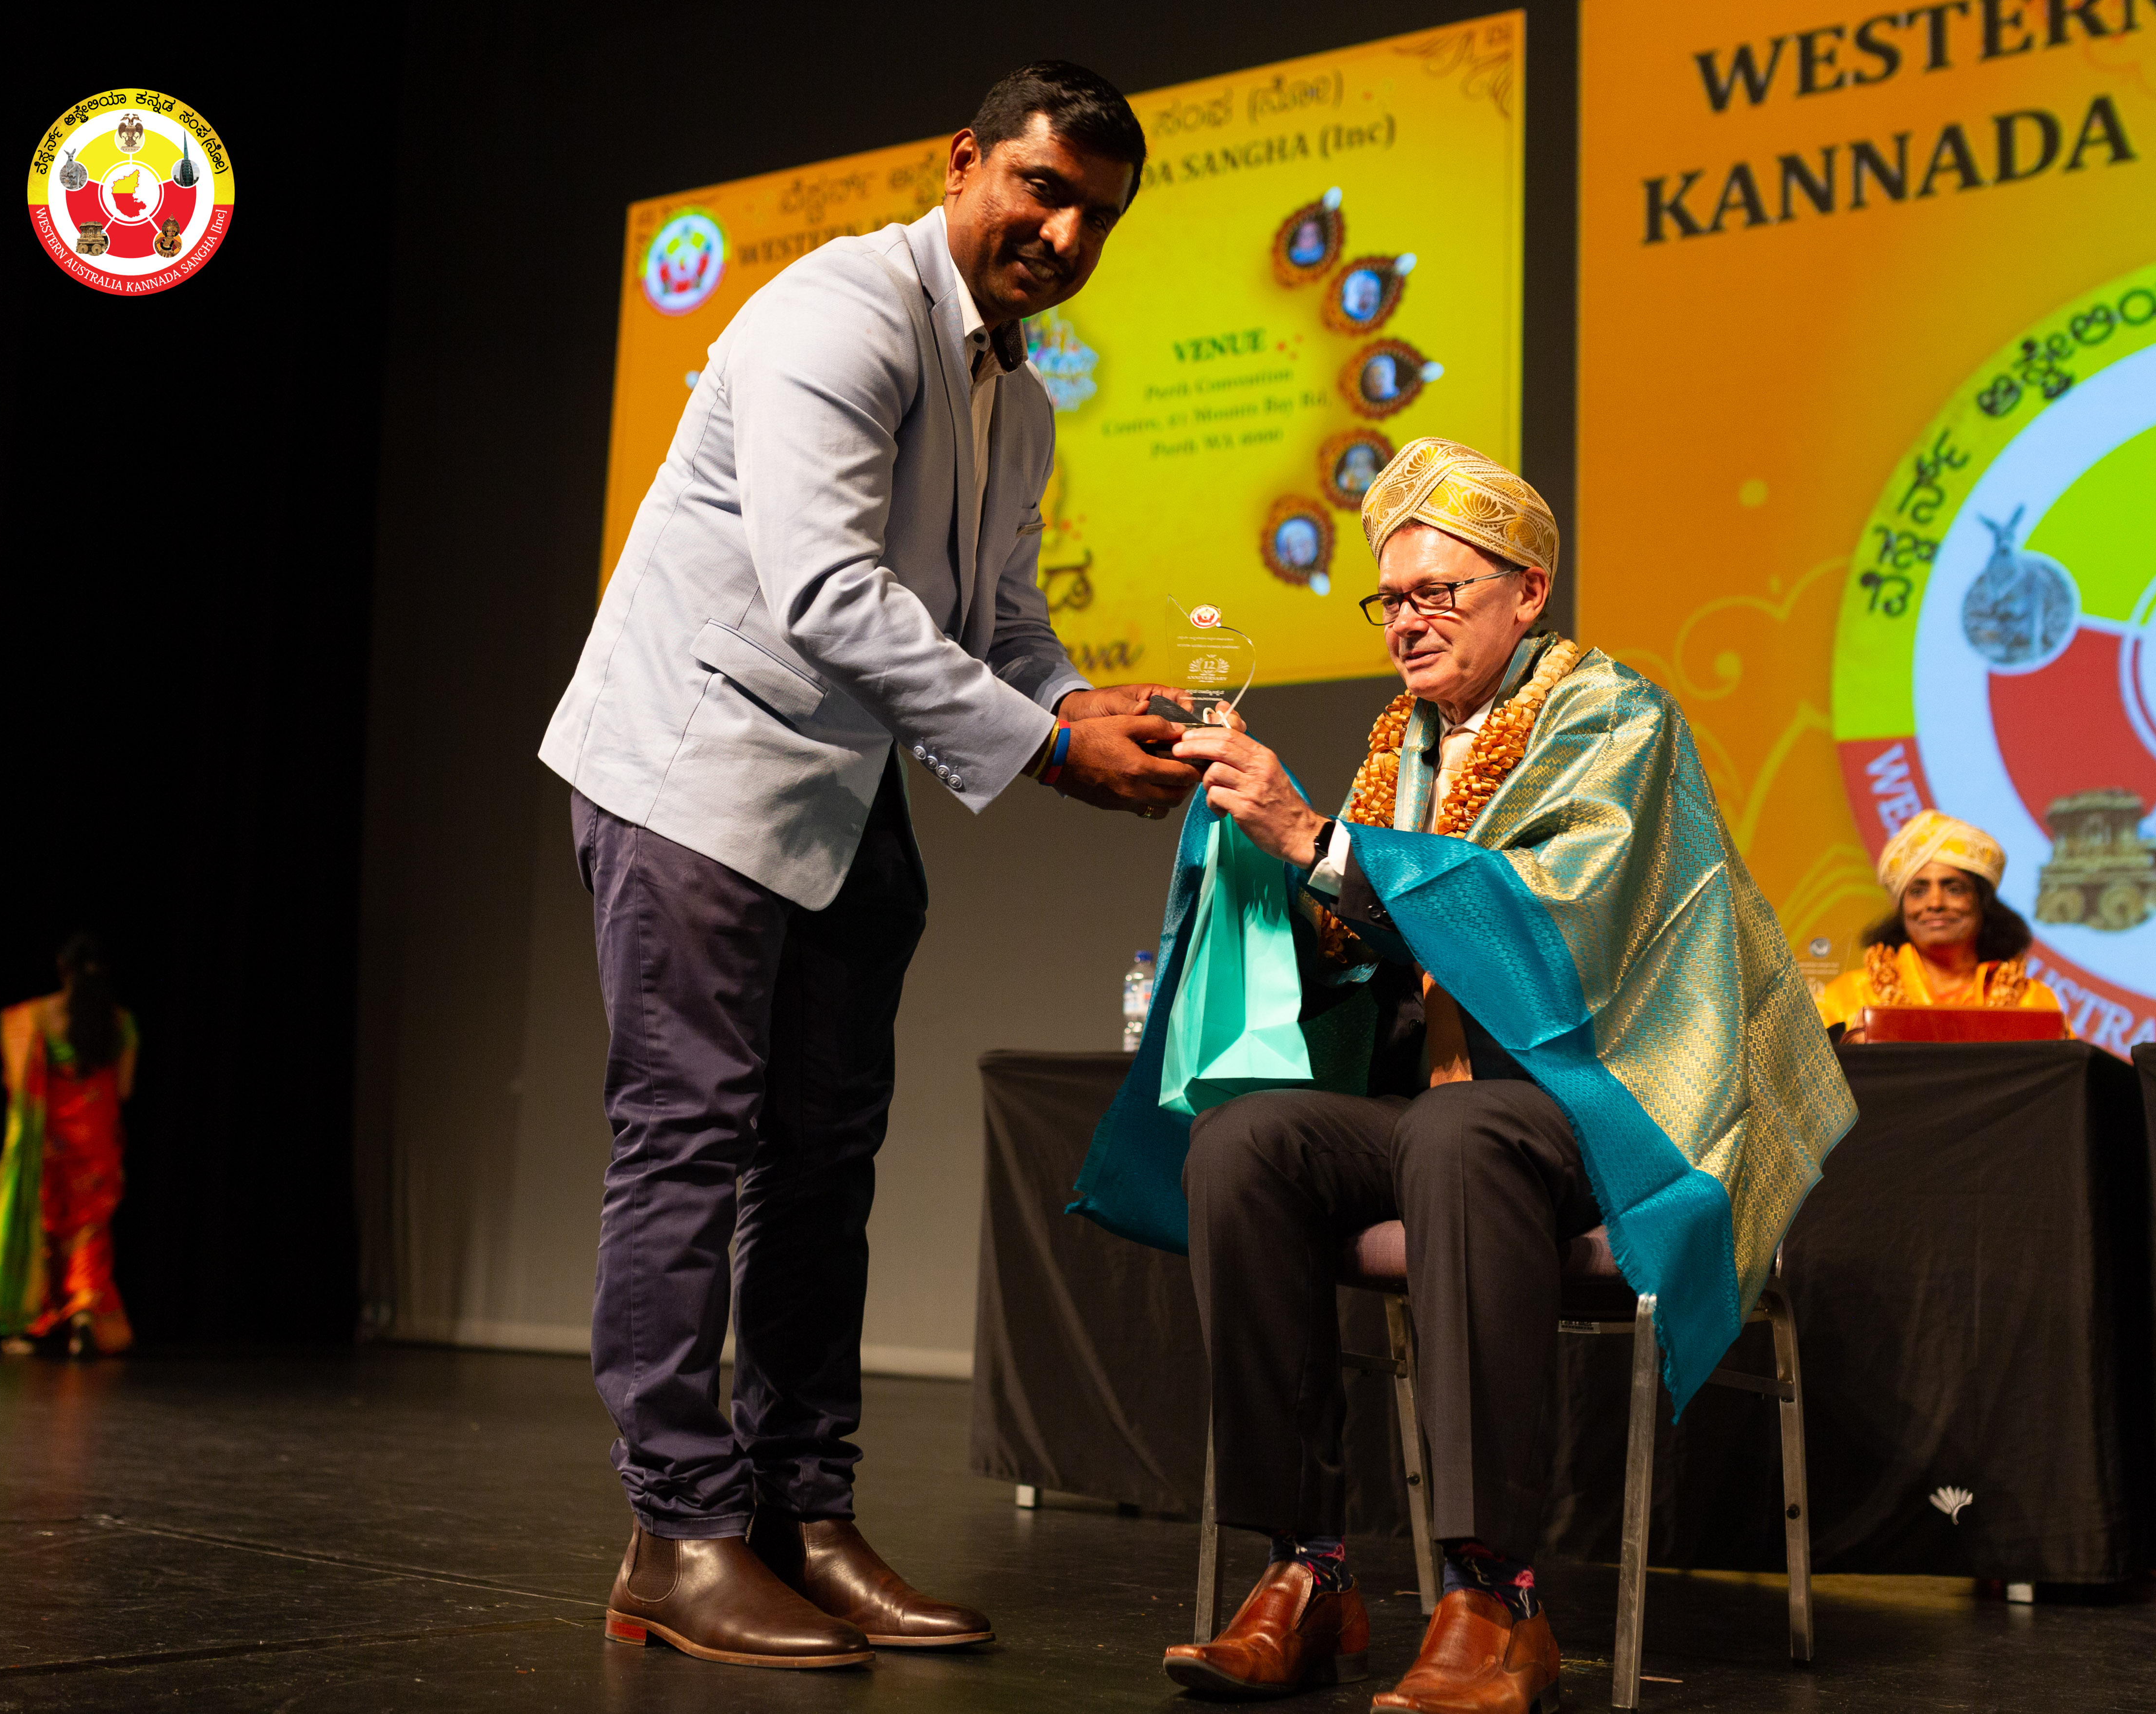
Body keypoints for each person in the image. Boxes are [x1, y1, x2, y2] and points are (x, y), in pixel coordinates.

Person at [537, 63, 1202, 1672]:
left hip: (836, 790)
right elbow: (828, 592)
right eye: (1041, 189)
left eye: (1098, 217)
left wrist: (1077, 704)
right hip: (693, 766)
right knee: (688, 1140)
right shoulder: (833, 315)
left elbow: (1000, 619)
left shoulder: (1019, 397)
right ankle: (675, 1532)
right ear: (963, 161)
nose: (1065, 234)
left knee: (824, 1159)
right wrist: (1051, 754)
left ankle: (799, 1514)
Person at [1116, 439, 1854, 1713]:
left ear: (1528, 591)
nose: (1407, 621)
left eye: (1437, 592)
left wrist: (1318, 837)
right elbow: (1365, 949)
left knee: (1458, 1139)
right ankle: (1307, 1566)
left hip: (1613, 1103)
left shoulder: (1612, 716)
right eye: (1390, 599)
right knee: (1244, 1143)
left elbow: (1553, 927)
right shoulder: (1401, 746)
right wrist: (1265, 857)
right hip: (1446, 1105)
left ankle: (1493, 1594)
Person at [0, 932, 137, 1359]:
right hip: (97, 1139)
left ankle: (29, 1323)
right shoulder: (122, 1023)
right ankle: (83, 1315)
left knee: (43, 1226)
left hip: (51, 1138)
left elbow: (18, 1079)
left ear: (63, 968)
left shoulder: (36, 1015)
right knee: (90, 1229)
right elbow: (124, 1089)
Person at [1817, 810, 2063, 1042]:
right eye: (1918, 892)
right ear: (1902, 908)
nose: (1935, 903)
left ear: (1983, 902)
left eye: (1954, 889)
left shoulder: (2032, 1001)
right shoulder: (1846, 998)